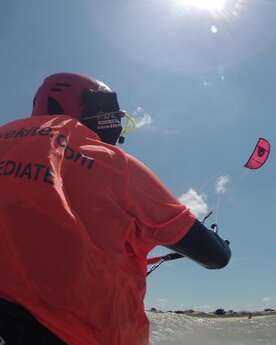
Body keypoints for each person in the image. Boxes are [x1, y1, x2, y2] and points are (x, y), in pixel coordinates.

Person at [0, 72, 231, 345]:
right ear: (94, 106)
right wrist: (219, 241)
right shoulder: (114, 165)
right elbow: (215, 256)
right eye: (115, 116)